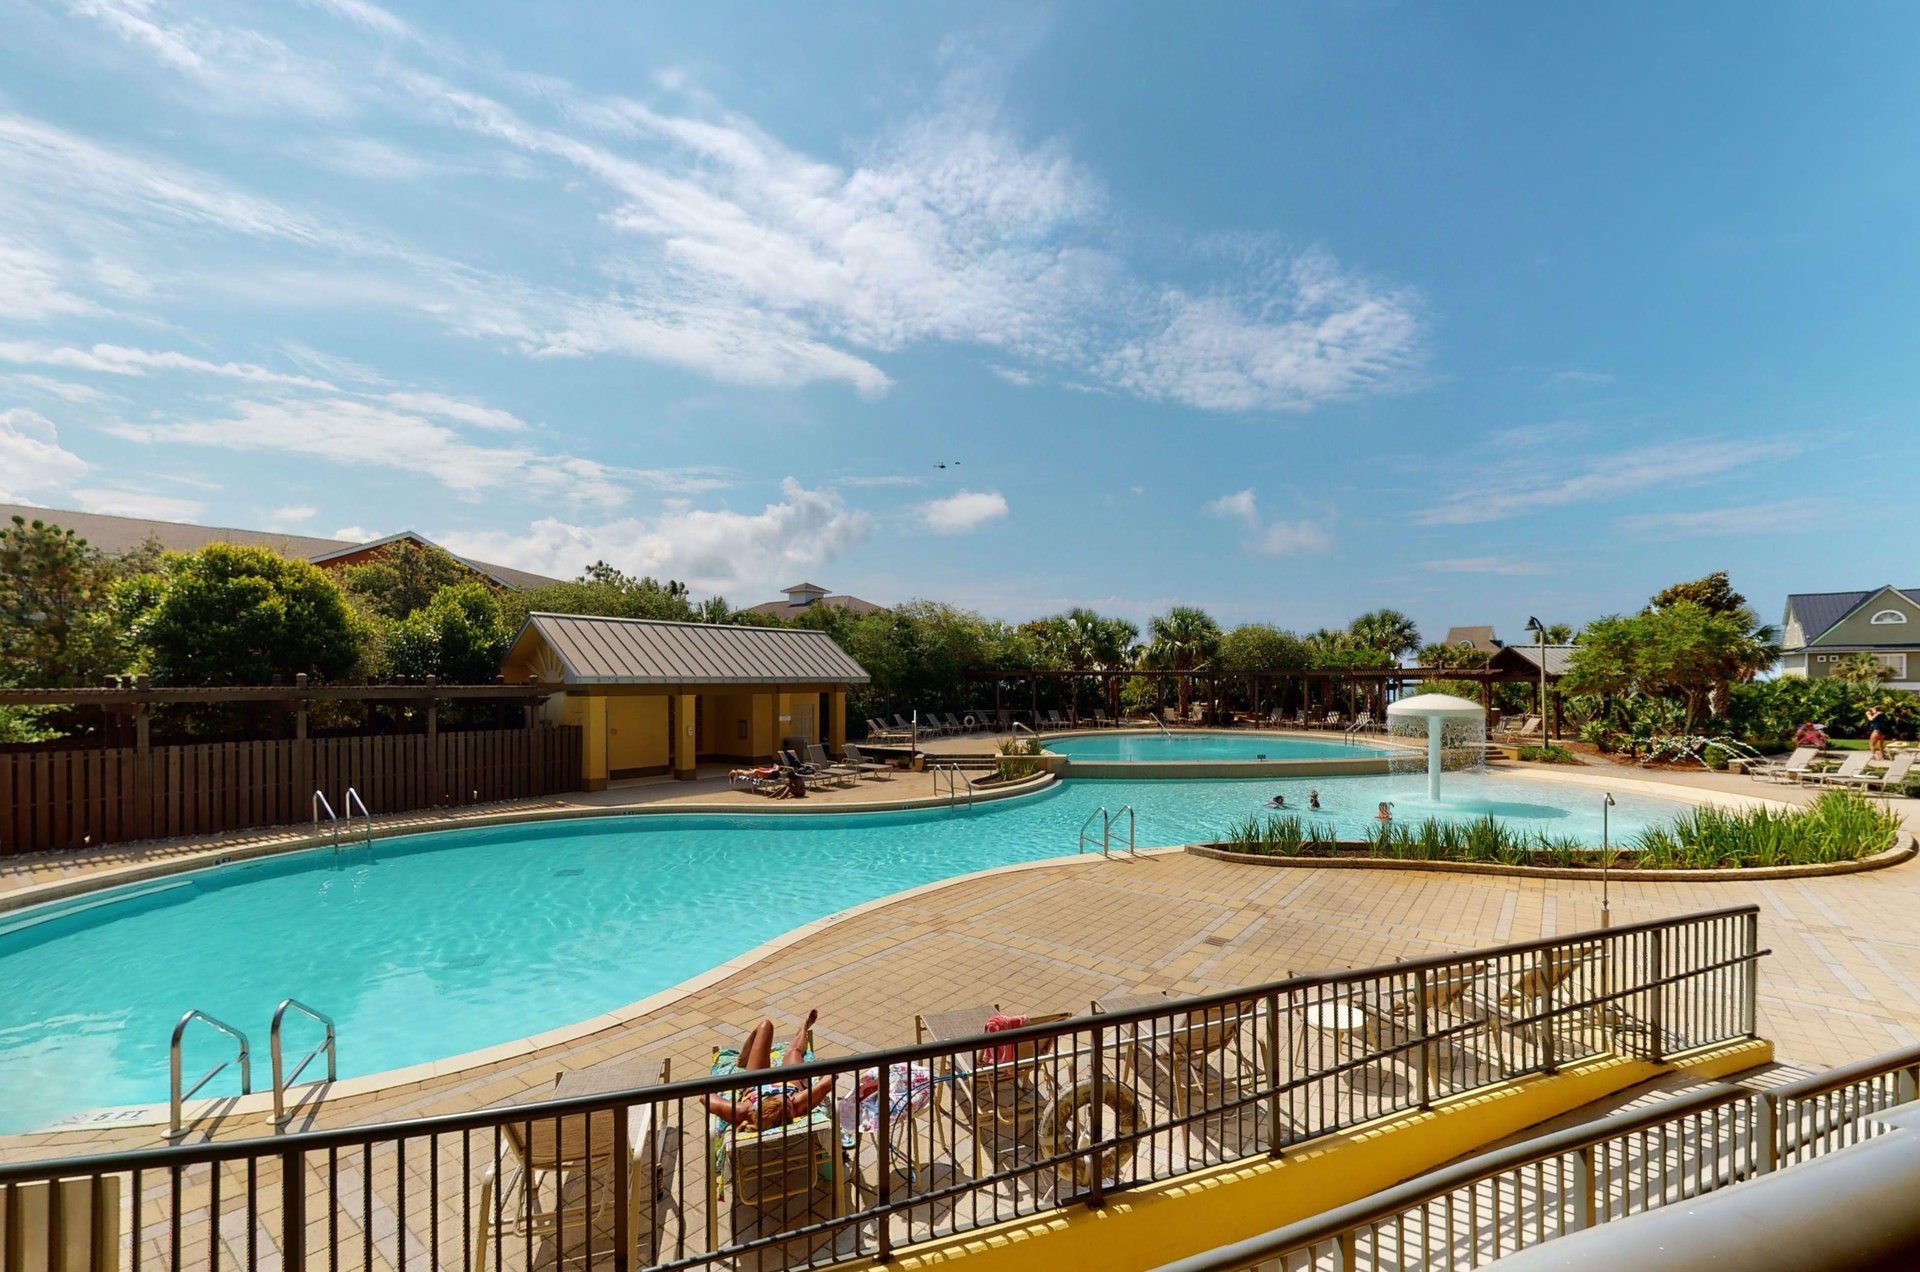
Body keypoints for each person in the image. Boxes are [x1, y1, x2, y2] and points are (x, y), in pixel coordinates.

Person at [703, 1009, 837, 1130]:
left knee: (765, 1026)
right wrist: (820, 1075)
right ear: (792, 1110)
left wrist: (729, 1089)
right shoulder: (798, 1103)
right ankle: (803, 1028)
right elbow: (831, 1078)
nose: (791, 1099)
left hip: (756, 1085)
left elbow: (705, 1097)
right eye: (789, 1100)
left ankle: (744, 1057)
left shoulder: (744, 1111)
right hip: (791, 1084)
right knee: (794, 1051)